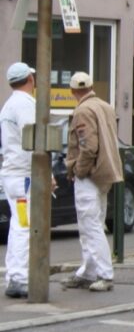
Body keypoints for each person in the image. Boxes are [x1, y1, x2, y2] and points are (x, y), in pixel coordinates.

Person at [61, 72, 121, 293]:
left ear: (72, 91)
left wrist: (78, 169)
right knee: (95, 222)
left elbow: (88, 146)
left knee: (90, 226)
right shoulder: (105, 106)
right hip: (105, 173)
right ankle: (88, 272)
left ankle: (104, 274)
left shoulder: (83, 111)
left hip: (89, 175)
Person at [0, 62, 35, 298]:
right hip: (24, 177)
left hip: (12, 175)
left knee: (17, 225)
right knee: (23, 225)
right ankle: (19, 278)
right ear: (30, 79)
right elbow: (32, 139)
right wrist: (47, 174)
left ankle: (13, 275)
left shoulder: (8, 105)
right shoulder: (25, 104)